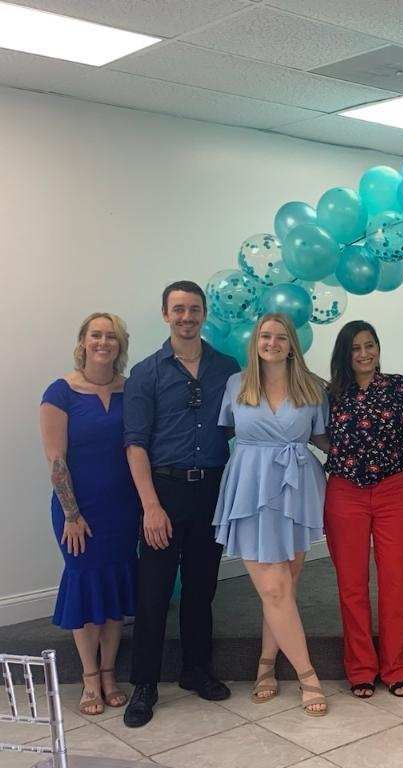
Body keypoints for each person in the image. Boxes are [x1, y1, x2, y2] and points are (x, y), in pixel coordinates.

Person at [121, 281, 239, 728]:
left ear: (204, 313)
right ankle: (145, 684)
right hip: (163, 493)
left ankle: (196, 670)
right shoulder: (146, 373)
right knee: (153, 593)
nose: (186, 317)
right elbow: (135, 444)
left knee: (201, 587)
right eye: (178, 309)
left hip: (211, 491)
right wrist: (151, 507)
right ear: (166, 314)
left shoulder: (227, 368)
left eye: (193, 309)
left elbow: (240, 424)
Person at [212, 314, 329, 716]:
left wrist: (369, 457)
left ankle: (266, 664)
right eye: (265, 336)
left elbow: (321, 437)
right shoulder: (236, 384)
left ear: (292, 344)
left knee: (283, 587)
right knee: (275, 588)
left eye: (281, 337)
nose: (272, 343)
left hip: (297, 488)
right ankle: (308, 676)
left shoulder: (312, 387)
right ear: (255, 341)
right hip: (250, 487)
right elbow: (224, 432)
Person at [39, 313, 139, 716]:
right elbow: (56, 458)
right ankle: (90, 677)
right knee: (85, 583)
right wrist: (72, 514)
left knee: (114, 587)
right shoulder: (60, 391)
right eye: (96, 335)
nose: (103, 342)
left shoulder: (130, 390)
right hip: (77, 512)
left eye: (111, 336)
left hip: (123, 508)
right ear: (83, 341)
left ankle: (110, 673)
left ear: (121, 344)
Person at [323, 320, 403, 700]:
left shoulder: (399, 387)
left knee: (395, 582)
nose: (364, 353)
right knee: (352, 585)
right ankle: (361, 668)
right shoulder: (330, 394)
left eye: (369, 345)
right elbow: (318, 433)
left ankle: (395, 668)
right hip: (345, 492)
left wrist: (380, 450)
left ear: (378, 347)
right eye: (355, 348)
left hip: (393, 489)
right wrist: (346, 454)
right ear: (345, 354)